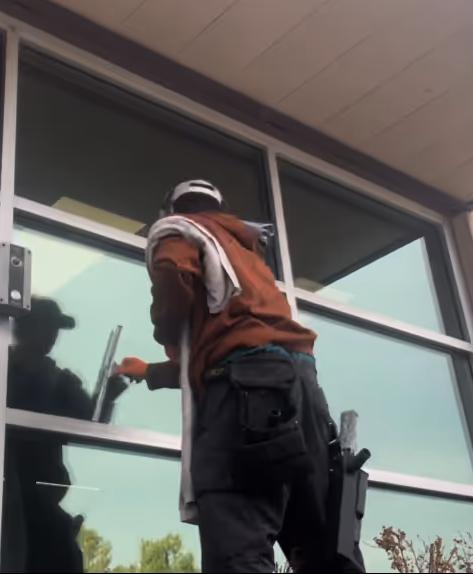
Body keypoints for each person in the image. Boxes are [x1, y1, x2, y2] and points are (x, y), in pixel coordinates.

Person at [114, 180, 365, 574]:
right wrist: (150, 372)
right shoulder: (246, 258)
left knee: (239, 545)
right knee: (324, 552)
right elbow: (245, 347)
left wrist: (168, 331)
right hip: (301, 392)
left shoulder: (180, 230)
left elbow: (171, 271)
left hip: (251, 394)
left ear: (173, 210)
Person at [0, 297, 127, 573]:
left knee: (62, 558)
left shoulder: (60, 380)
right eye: (46, 326)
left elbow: (89, 424)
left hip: (41, 504)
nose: (52, 336)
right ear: (24, 329)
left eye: (55, 330)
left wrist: (107, 395)